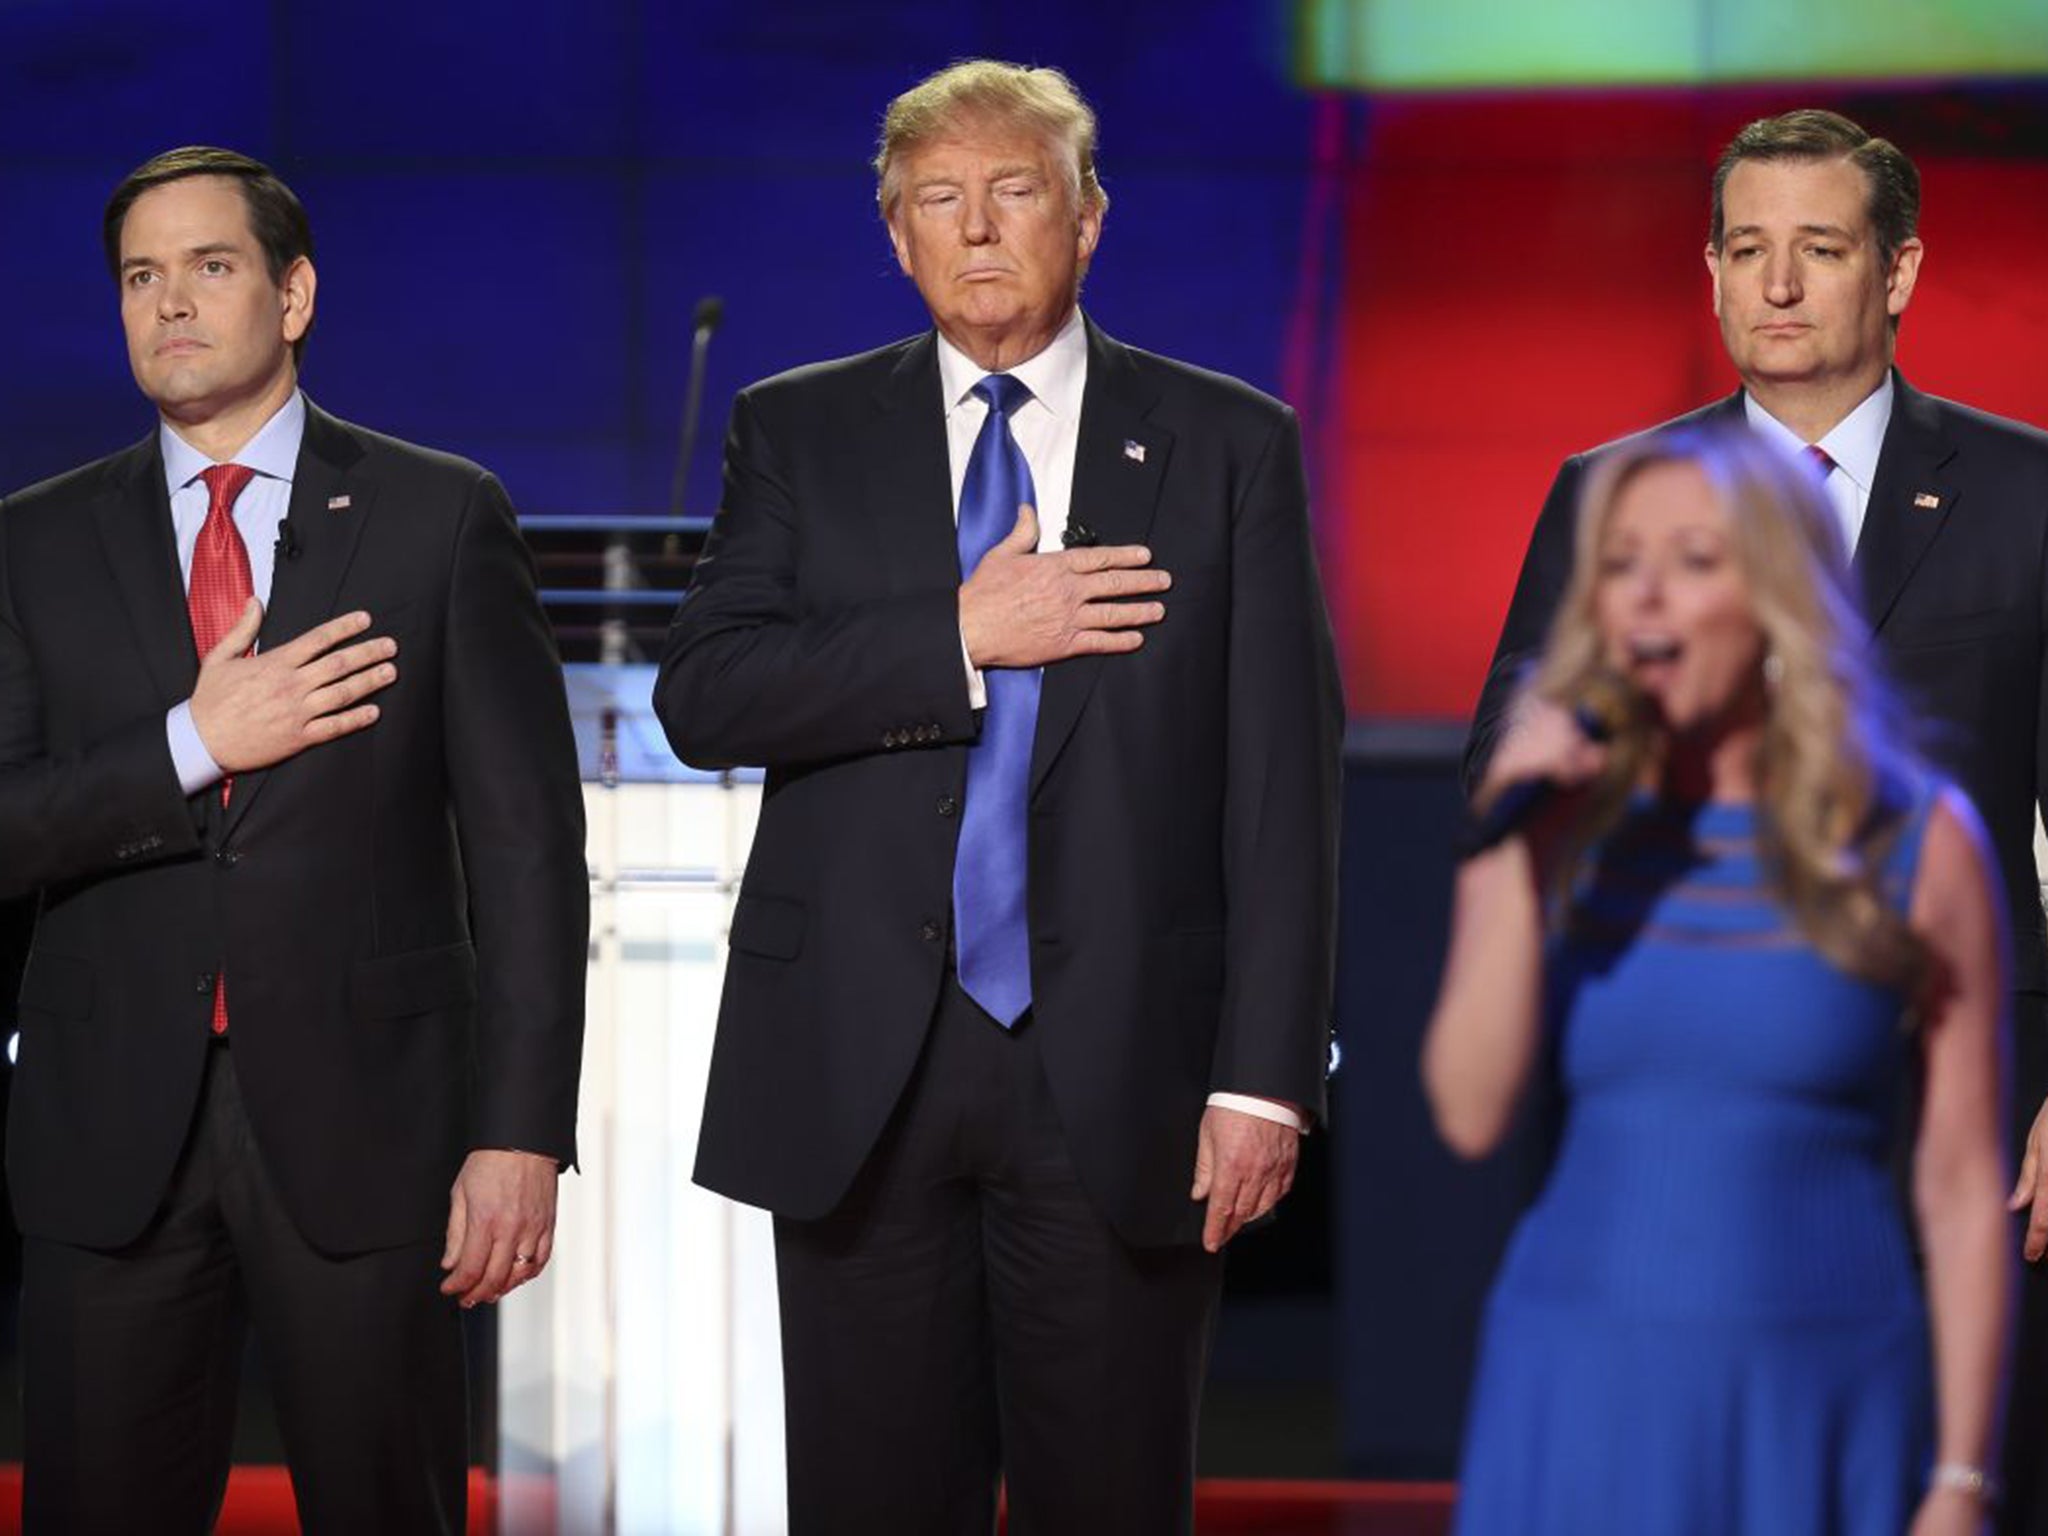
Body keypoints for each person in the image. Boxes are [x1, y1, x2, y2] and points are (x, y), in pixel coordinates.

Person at [655, 59, 1341, 1535]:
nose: (977, 230)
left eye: (1014, 192)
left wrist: (1265, 1074)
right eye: (937, 203)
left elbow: (1284, 786)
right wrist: (959, 637)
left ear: (1088, 219)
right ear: (894, 239)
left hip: (1129, 1069)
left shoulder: (1229, 443)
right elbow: (705, 695)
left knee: (1113, 1495)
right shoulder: (800, 429)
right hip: (857, 1064)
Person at [1466, 108, 2048, 1528]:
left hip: (1960, 1111)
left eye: (1821, 249)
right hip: (1676, 1125)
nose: (1778, 285)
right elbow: (1512, 786)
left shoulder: (2030, 493)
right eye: (1748, 249)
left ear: (1897, 273)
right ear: (1712, 274)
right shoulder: (1613, 499)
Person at [0, 146, 588, 1534]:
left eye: (210, 267)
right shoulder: (32, 542)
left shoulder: (438, 516)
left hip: (373, 1127)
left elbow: (527, 858)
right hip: (109, 1133)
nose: (172, 304)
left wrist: (520, 1135)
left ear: (296, 291)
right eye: (142, 277)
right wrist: (190, 744)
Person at [1430, 427, 2009, 1534]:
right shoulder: (1552, 830)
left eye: (1694, 561)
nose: (1648, 597)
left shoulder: (1915, 844)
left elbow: (1956, 1182)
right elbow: (1466, 1110)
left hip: (1819, 1384)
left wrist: (1957, 1478)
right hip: (1577, 1378)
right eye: (1621, 563)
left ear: (1774, 597)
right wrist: (1511, 845)